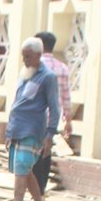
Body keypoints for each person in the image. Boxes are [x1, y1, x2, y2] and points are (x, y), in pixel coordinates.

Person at [0, 37, 59, 201]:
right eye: (23, 56)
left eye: (29, 56)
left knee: (22, 168)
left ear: (39, 55)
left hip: (32, 130)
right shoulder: (25, 74)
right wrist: (9, 130)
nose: (25, 60)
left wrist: (50, 134)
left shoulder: (47, 77)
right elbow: (18, 102)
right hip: (18, 128)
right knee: (25, 169)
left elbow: (55, 108)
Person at [34, 30, 74, 190]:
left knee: (33, 153)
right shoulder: (62, 68)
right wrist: (68, 121)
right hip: (53, 119)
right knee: (46, 152)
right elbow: (66, 96)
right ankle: (41, 187)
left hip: (35, 118)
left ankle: (34, 188)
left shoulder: (34, 66)